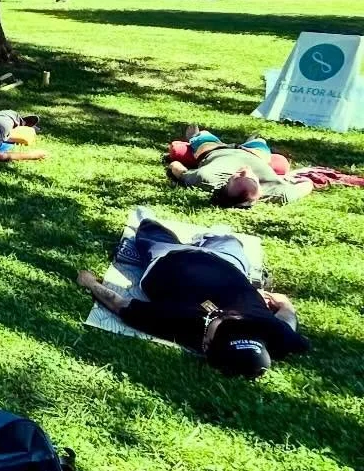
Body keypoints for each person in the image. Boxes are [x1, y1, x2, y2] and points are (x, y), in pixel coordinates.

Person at [78, 217, 308, 377]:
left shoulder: (181, 321)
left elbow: (119, 304)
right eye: (239, 327)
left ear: (206, 346)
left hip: (169, 258)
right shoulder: (273, 331)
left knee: (148, 227)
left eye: (225, 327)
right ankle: (209, 237)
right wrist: (283, 302)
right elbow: (288, 319)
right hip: (228, 262)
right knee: (230, 240)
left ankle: (183, 239)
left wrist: (90, 283)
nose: (232, 319)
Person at [165, 128, 313, 207]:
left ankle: (195, 134)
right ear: (259, 191)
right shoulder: (279, 192)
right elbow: (308, 184)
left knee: (189, 142)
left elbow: (176, 167)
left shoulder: (205, 178)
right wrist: (286, 180)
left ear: (226, 185)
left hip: (215, 150)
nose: (245, 169)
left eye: (237, 176)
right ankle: (252, 140)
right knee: (273, 155)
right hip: (256, 154)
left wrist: (178, 167)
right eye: (250, 178)